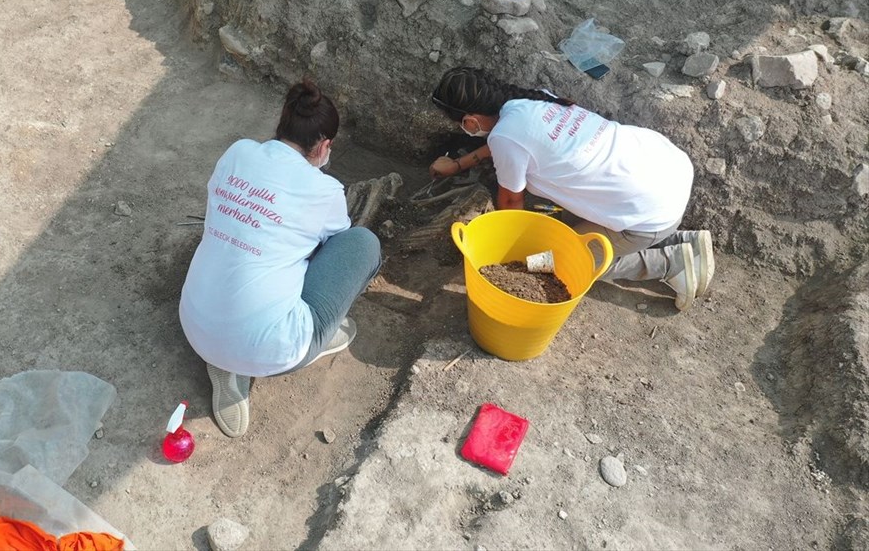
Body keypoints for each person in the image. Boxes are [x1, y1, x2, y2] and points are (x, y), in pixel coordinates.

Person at [179, 79, 381, 438]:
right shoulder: (325, 190)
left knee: (241, 238)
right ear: (324, 146)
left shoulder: (238, 152)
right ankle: (314, 335)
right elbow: (335, 246)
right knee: (362, 244)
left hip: (194, 321)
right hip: (272, 349)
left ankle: (224, 357)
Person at [429, 66, 714, 310]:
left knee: (551, 263)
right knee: (561, 227)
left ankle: (671, 263)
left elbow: (511, 207)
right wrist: (458, 164)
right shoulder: (532, 101)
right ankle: (685, 241)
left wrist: (511, 253)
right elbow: (510, 143)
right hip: (665, 171)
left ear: (470, 122)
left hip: (649, 215)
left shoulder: (505, 136)